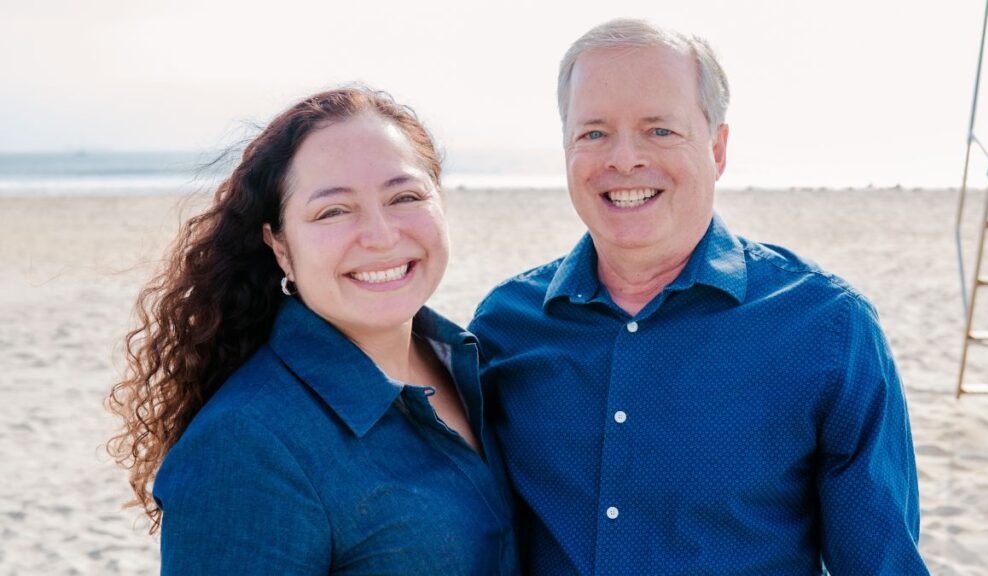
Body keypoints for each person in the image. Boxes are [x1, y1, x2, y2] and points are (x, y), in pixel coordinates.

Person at [470, 18, 929, 575]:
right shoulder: (504, 327)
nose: (623, 159)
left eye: (659, 130)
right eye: (593, 133)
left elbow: (881, 564)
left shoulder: (828, 329)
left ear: (717, 148)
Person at [107, 87, 518, 574]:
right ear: (280, 247)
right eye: (333, 210)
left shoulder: (482, 363)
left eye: (404, 196)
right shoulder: (245, 447)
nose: (382, 235)